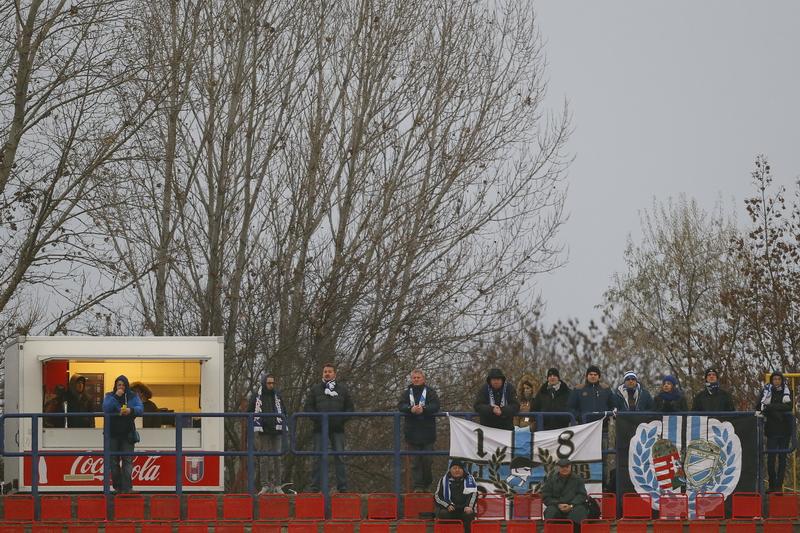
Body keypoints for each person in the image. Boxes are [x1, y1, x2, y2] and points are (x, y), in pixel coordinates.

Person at [305, 363, 354, 492]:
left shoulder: (342, 389)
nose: (327, 373)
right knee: (317, 457)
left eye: (330, 371)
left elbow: (350, 408)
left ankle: (342, 487)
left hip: (337, 429)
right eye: (325, 371)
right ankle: (315, 487)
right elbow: (308, 407)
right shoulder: (315, 389)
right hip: (319, 428)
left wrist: (341, 420)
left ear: (334, 374)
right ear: (322, 374)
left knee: (340, 457)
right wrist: (318, 419)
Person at [398, 369, 440, 492]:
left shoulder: (430, 392)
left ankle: (426, 483)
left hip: (428, 433)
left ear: (423, 379)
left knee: (427, 460)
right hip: (411, 432)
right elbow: (400, 405)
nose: (416, 379)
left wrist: (424, 409)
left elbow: (436, 406)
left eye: (418, 377)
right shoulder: (407, 393)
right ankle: (418, 487)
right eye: (414, 378)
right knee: (415, 462)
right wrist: (410, 409)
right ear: (412, 379)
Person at [102, 375, 143, 493]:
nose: (121, 387)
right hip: (112, 433)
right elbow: (105, 408)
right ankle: (118, 487)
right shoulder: (110, 396)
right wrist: (116, 396)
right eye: (119, 385)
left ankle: (127, 488)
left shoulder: (132, 396)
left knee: (127, 460)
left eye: (123, 385)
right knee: (113, 461)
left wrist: (131, 410)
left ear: (127, 386)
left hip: (128, 433)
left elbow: (141, 408)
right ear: (115, 386)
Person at [249, 372, 288, 494]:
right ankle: (264, 485)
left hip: (277, 429)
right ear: (264, 383)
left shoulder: (278, 395)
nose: (271, 385)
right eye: (269, 383)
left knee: (277, 458)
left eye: (272, 383)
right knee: (264, 458)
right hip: (263, 430)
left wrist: (282, 423)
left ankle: (278, 485)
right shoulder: (256, 396)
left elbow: (284, 410)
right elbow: (249, 411)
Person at [757, 371, 793, 492]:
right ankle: (772, 485)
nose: (776, 381)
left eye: (779, 379)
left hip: (785, 431)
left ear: (782, 380)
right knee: (771, 460)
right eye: (774, 379)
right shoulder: (766, 392)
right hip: (772, 431)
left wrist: (772, 407)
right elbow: (761, 407)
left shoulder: (787, 391)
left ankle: (779, 486)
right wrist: (776, 409)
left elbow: (789, 406)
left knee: (782, 459)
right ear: (771, 381)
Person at [541, 457, 589, 532]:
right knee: (550, 511)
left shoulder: (578, 479)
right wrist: (558, 504)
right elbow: (546, 496)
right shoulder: (551, 480)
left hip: (574, 506)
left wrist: (571, 505)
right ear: (558, 468)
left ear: (570, 467)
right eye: (562, 467)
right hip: (556, 506)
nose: (565, 469)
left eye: (567, 467)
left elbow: (582, 495)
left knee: (580, 512)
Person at [434, 459, 477, 533]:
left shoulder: (469, 480)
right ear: (450, 470)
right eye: (454, 468)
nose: (457, 470)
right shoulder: (443, 480)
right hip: (450, 509)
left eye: (459, 468)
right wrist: (447, 505)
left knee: (469, 514)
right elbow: (437, 496)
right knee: (443, 513)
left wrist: (469, 506)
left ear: (463, 470)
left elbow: (474, 494)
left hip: (464, 509)